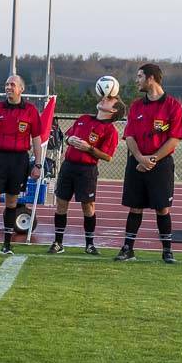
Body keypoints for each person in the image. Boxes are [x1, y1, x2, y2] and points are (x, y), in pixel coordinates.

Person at [116, 63, 182, 264]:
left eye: (139, 76)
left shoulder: (173, 106)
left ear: (151, 78)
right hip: (136, 163)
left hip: (160, 165)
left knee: (162, 208)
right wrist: (140, 158)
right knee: (134, 207)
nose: (136, 80)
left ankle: (167, 251)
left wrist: (152, 159)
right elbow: (129, 136)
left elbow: (174, 138)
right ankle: (128, 249)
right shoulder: (137, 106)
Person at [0, 75, 43, 256]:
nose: (8, 87)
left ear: (21, 89)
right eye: (6, 84)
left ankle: (7, 244)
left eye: (12, 84)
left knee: (12, 202)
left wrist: (38, 164)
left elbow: (36, 139)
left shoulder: (30, 111)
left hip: (19, 161)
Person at [48, 95, 123, 255]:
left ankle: (89, 244)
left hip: (87, 170)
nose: (104, 99)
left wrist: (89, 148)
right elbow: (67, 137)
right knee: (61, 203)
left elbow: (108, 156)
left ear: (113, 110)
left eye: (109, 100)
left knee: (87, 206)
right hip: (68, 166)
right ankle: (58, 242)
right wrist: (69, 140)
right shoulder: (83, 119)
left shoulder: (110, 130)